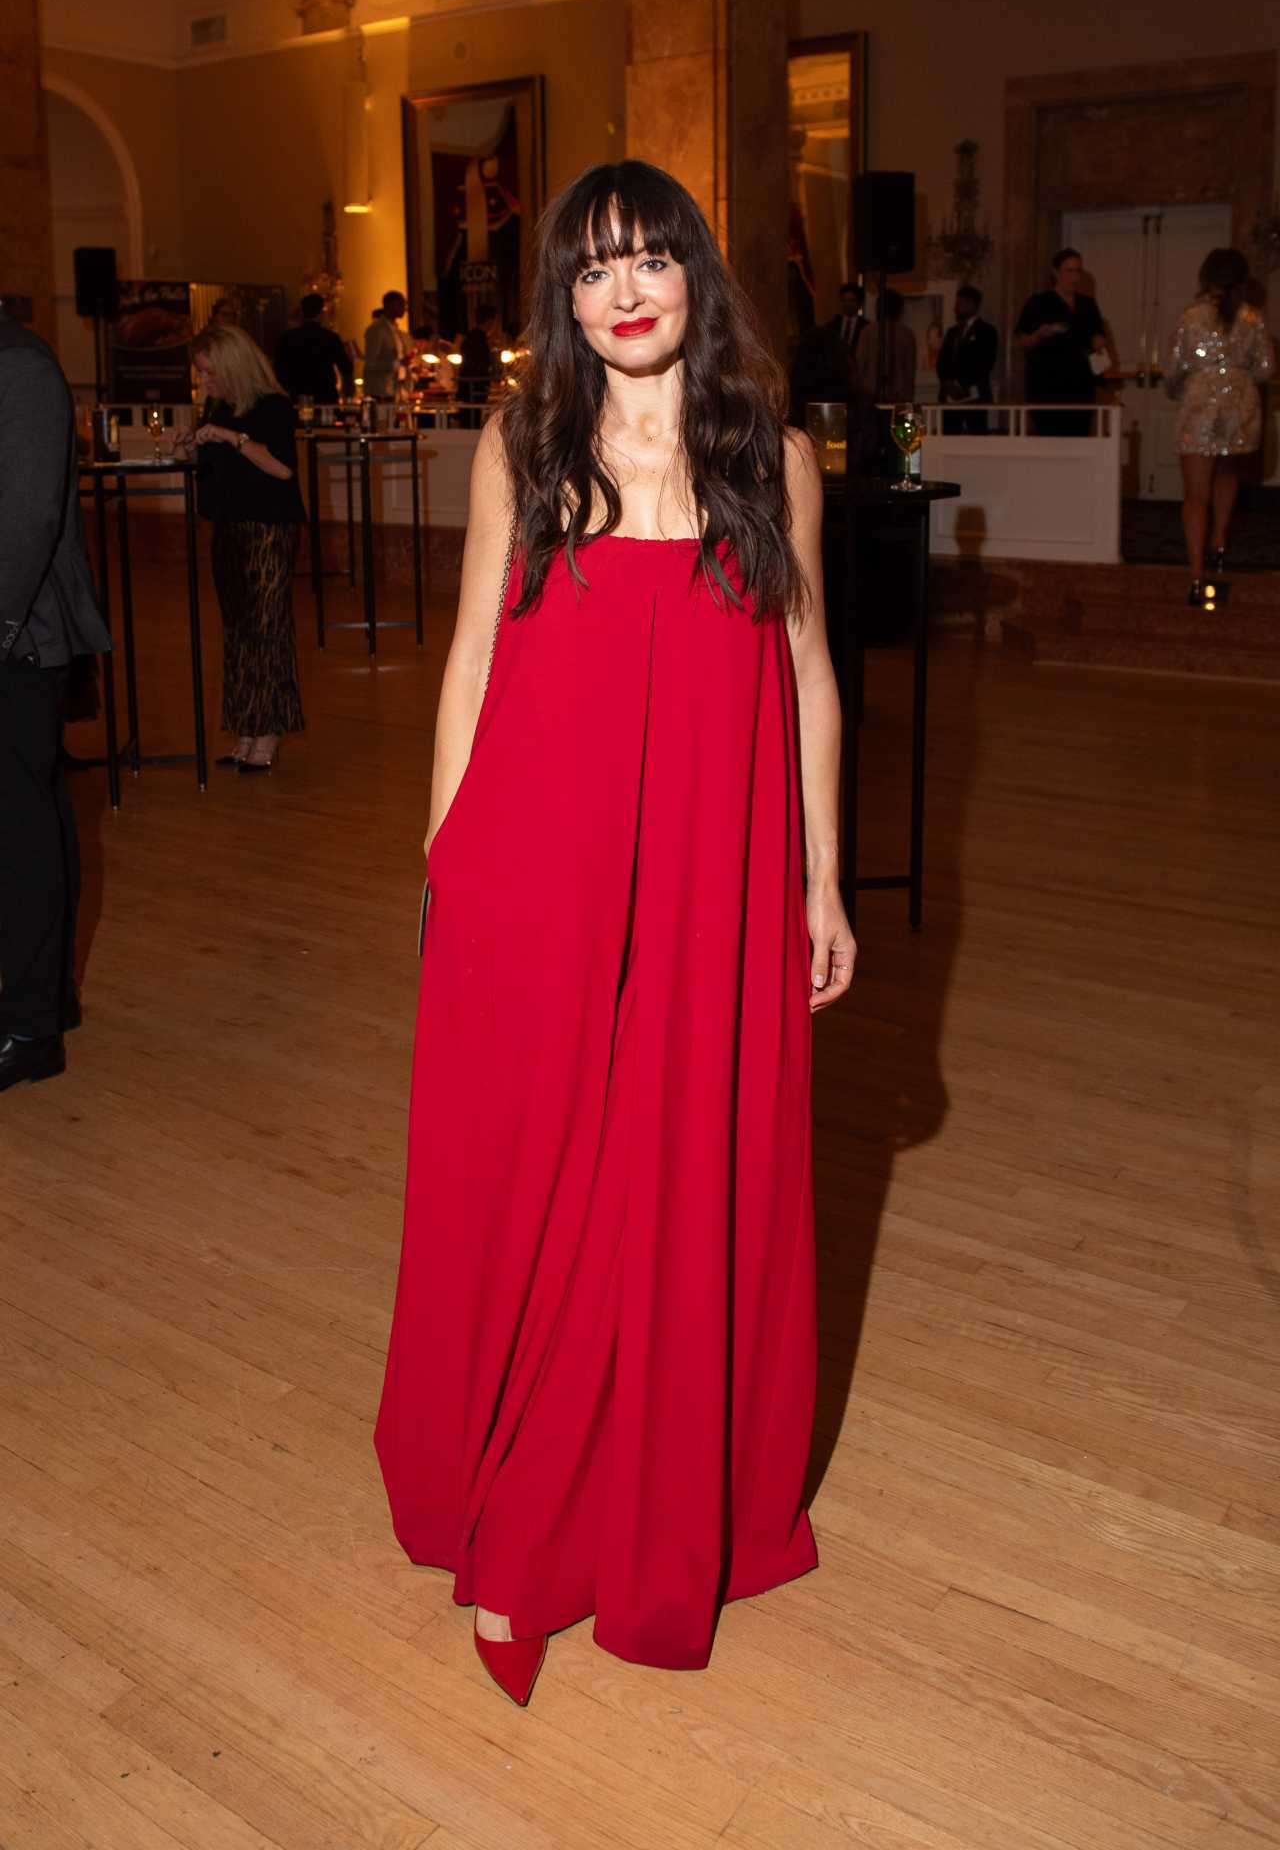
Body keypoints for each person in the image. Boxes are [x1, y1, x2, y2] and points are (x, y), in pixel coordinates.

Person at [374, 158, 855, 1706]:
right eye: (592, 268)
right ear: (563, 300)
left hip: (714, 873)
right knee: (548, 1169)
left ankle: (641, 1495)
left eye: (651, 257)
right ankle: (522, 1492)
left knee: (673, 1165)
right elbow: (469, 659)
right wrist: (443, 857)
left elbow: (807, 677)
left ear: (696, 274)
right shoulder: (523, 450)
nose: (625, 289)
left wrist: (821, 879)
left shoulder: (772, 458)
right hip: (539, 867)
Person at [0, 304, 111, 1091]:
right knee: (32, 820)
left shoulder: (19, 367)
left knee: (21, 834)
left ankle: (31, 1026)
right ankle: (47, 1004)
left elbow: (25, 523)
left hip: (20, 641)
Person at [175, 325, 305, 772]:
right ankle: (245, 729)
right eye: (201, 372)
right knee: (237, 633)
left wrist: (233, 438)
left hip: (267, 530)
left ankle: (267, 732)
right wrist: (190, 447)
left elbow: (282, 469)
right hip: (228, 529)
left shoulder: (273, 407)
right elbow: (213, 471)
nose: (204, 380)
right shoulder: (216, 408)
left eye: (209, 372)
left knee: (266, 630)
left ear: (233, 367)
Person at [1165, 247, 1274, 597]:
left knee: (1195, 496)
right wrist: (1237, 377)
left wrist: (1181, 388)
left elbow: (1174, 368)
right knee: (1227, 475)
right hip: (1239, 409)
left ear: (1206, 278)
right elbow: (1267, 368)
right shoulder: (1253, 318)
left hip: (1200, 409)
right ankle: (1220, 541)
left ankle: (1197, 574)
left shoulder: (1191, 317)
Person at [1015, 248, 1107, 435]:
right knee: (1051, 441)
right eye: (1069, 271)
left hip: (1081, 388)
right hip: (1047, 389)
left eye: (1078, 271)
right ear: (1056, 272)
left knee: (1080, 439)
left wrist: (1098, 341)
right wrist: (1040, 334)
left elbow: (1098, 334)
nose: (1074, 277)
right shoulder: (1039, 303)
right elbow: (1022, 342)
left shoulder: (1087, 305)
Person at [788, 281, 865, 426]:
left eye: (852, 300)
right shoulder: (831, 326)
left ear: (860, 303)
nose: (847, 304)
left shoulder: (866, 328)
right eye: (844, 300)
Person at [937, 284, 998, 433]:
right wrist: (947, 383)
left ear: (971, 304)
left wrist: (960, 384)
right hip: (950, 397)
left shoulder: (986, 331)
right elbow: (942, 361)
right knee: (949, 435)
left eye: (959, 304)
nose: (955, 308)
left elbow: (985, 363)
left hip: (975, 395)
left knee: (977, 436)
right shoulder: (952, 332)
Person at [274, 292, 353, 405]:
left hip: (298, 395)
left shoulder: (287, 338)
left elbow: (279, 370)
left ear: (302, 312)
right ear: (321, 313)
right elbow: (346, 368)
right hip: (325, 395)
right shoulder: (330, 337)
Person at [855, 287, 917, 404]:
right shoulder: (906, 334)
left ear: (878, 307)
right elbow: (909, 372)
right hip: (899, 395)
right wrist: (908, 396)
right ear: (899, 309)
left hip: (870, 394)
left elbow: (860, 365)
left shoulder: (868, 331)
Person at [456, 303, 496, 427]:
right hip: (474, 388)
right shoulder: (480, 340)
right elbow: (479, 365)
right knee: (472, 421)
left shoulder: (470, 337)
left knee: (468, 421)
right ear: (489, 321)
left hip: (467, 388)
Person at [363, 289, 409, 398]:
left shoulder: (395, 331)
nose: (405, 308)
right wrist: (397, 363)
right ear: (390, 305)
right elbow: (371, 362)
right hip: (381, 390)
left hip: (396, 388)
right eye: (401, 304)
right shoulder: (377, 330)